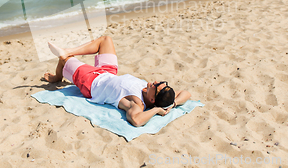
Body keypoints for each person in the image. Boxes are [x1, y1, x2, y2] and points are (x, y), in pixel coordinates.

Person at [43, 36, 191, 127]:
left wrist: (156, 110)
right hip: (108, 73)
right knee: (105, 40)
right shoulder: (159, 95)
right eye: (161, 82)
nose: (156, 81)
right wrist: (174, 104)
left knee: (64, 59)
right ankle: (69, 50)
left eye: (157, 85)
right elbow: (186, 93)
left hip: (91, 81)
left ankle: (57, 77)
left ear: (152, 99)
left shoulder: (137, 102)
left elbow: (137, 120)